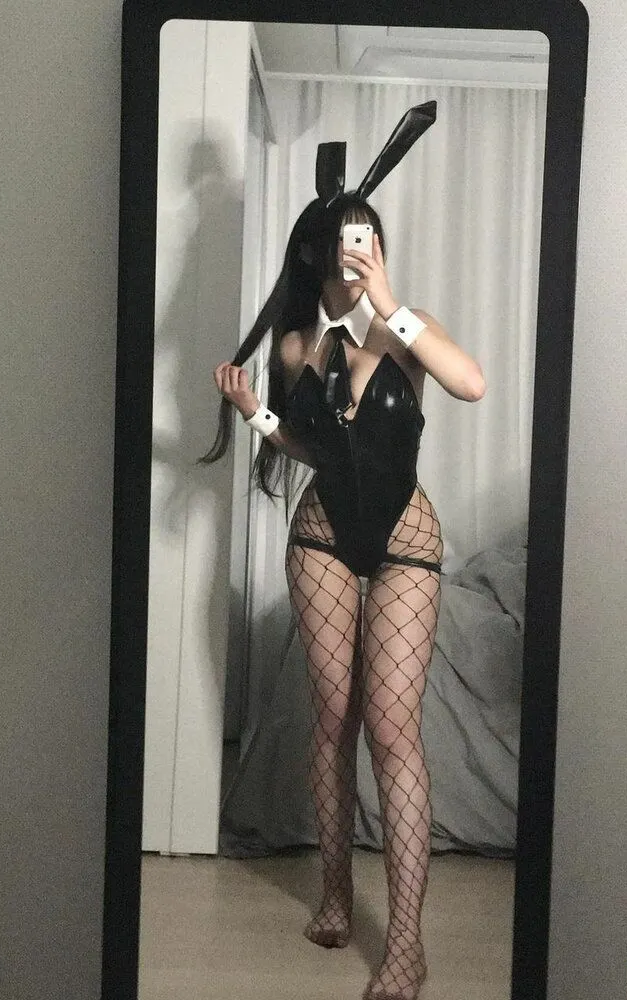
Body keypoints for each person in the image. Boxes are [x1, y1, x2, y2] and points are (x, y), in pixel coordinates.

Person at [200, 104, 485, 1000]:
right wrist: (257, 415)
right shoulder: (294, 343)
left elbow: (472, 384)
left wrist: (390, 304)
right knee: (333, 719)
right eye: (348, 239)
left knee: (392, 730)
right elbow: (312, 447)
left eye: (372, 238)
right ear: (321, 251)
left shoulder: (405, 327)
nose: (361, 250)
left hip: (404, 537)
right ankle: (331, 892)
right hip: (322, 534)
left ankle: (405, 941)